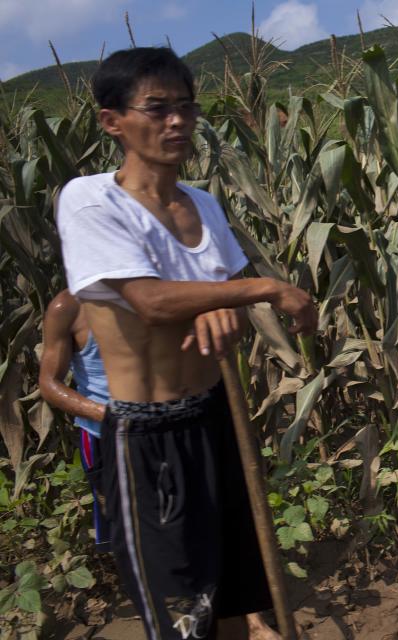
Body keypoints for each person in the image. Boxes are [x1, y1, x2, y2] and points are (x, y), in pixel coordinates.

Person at [55, 46, 317, 640]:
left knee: (230, 596)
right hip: (150, 432)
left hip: (216, 415)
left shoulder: (201, 204)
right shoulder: (91, 199)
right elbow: (149, 301)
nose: (176, 121)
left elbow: (216, 300)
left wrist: (220, 302)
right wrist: (264, 287)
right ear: (112, 121)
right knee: (181, 613)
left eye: (185, 108)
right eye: (156, 108)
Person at [38, 290, 281, 639]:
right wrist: (114, 417)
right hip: (110, 439)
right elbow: (49, 382)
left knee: (216, 521)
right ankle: (181, 617)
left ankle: (252, 622)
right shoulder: (67, 308)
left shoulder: (155, 293)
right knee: (149, 541)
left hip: (172, 430)